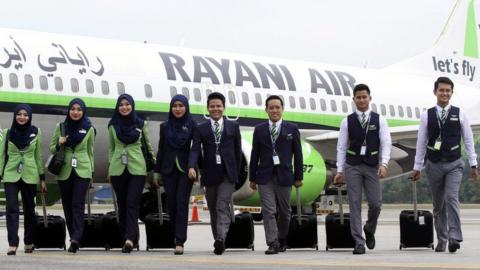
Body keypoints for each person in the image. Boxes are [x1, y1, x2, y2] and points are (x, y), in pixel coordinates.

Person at [410, 76, 478, 253]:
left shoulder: (460, 113)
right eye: (441, 90)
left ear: (452, 93)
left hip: (454, 163)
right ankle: (442, 238)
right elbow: (421, 142)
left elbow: (469, 140)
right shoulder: (427, 115)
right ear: (435, 92)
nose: (445, 93)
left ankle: (454, 237)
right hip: (433, 164)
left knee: (451, 198)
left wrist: (473, 164)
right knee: (438, 204)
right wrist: (417, 167)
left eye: (448, 91)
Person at [333, 84, 391, 255]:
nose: (361, 100)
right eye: (358, 97)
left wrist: (384, 163)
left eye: (364, 97)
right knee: (355, 204)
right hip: (353, 166)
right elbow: (341, 147)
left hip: (372, 165)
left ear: (370, 98)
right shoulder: (347, 121)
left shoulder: (379, 119)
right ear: (354, 99)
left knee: (376, 204)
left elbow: (386, 143)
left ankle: (369, 228)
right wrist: (340, 170)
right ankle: (358, 241)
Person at [188, 92, 242, 255]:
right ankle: (219, 240)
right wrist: (192, 166)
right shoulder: (201, 128)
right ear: (208, 108)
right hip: (210, 174)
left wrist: (236, 174)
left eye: (218, 106)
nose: (215, 109)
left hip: (227, 174)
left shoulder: (233, 126)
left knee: (221, 205)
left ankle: (221, 238)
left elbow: (237, 152)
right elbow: (195, 149)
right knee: (212, 208)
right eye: (212, 106)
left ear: (224, 108)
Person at [249, 95, 303, 255]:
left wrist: (299, 176)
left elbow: (298, 155)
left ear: (282, 109)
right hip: (264, 176)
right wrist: (252, 177)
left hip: (285, 175)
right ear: (266, 110)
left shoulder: (292, 129)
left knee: (285, 212)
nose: (274, 110)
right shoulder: (259, 130)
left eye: (277, 107)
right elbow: (254, 155)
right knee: (268, 210)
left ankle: (282, 237)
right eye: (271, 107)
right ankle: (272, 242)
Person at [108, 94, 155, 253]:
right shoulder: (113, 126)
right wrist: (110, 169)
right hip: (117, 169)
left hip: (137, 168)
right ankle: (130, 239)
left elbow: (148, 148)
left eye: (127, 104)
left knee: (132, 202)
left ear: (132, 106)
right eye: (121, 104)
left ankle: (129, 239)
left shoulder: (141, 124)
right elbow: (112, 149)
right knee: (122, 205)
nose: (124, 107)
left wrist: (154, 172)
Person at [49, 98, 95, 253]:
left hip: (83, 169)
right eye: (73, 109)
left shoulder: (89, 128)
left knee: (77, 203)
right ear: (69, 111)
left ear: (83, 111)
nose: (75, 112)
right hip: (64, 169)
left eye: (79, 109)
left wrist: (92, 173)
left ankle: (76, 237)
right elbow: (51, 148)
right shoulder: (61, 127)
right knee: (67, 205)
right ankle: (73, 236)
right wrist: (59, 143)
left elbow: (90, 152)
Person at [0, 104, 47, 255]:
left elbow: (38, 156)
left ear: (30, 117)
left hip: (30, 174)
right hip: (11, 174)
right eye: (19, 114)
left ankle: (29, 242)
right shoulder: (7, 133)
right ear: (15, 116)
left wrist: (42, 178)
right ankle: (13, 244)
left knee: (29, 210)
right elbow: (1, 156)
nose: (22, 117)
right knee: (12, 208)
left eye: (25, 114)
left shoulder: (36, 132)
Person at [153, 94, 196, 255]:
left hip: (186, 170)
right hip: (168, 169)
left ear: (186, 107)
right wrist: (157, 172)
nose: (177, 109)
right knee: (171, 205)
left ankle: (180, 241)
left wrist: (194, 166)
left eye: (181, 105)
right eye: (175, 106)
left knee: (181, 204)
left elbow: (195, 148)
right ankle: (175, 236)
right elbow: (162, 149)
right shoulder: (164, 126)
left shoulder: (192, 125)